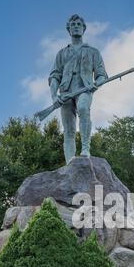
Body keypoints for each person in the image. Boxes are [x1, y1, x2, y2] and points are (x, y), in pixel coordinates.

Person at [48, 14, 108, 162]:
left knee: (83, 108)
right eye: (73, 24)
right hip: (66, 92)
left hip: (85, 89)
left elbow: (102, 75)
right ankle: (70, 163)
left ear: (83, 28)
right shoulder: (62, 54)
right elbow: (55, 76)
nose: (76, 26)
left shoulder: (93, 52)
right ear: (69, 29)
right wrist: (54, 96)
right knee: (68, 130)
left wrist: (97, 83)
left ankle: (86, 148)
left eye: (78, 24)